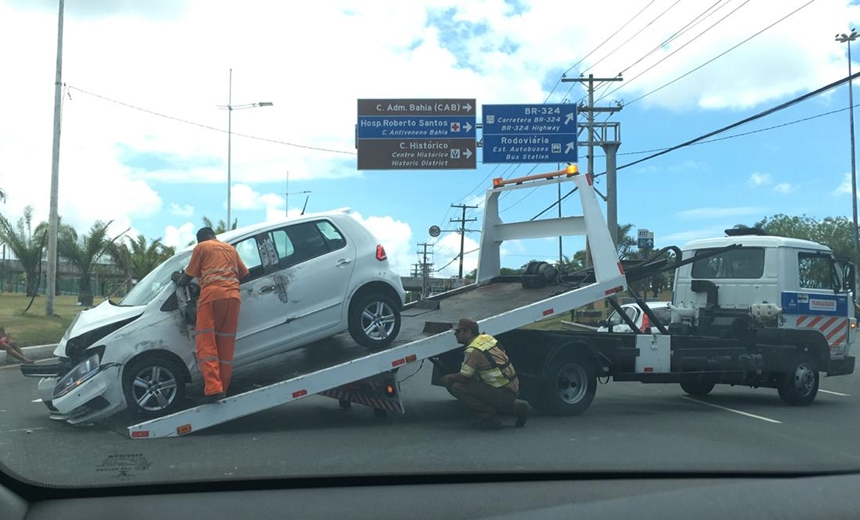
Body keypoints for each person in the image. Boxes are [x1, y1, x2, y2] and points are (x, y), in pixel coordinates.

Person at [172, 227, 249, 404]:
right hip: (233, 298)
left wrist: (177, 277)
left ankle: (214, 389)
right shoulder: (230, 249)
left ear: (200, 239)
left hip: (211, 297)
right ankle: (223, 388)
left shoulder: (202, 247)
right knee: (225, 346)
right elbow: (244, 274)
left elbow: (186, 279)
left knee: (206, 344)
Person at [441, 318, 528, 429]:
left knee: (458, 387)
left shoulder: (473, 350)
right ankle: (508, 405)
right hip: (511, 386)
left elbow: (464, 378)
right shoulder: (486, 338)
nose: (455, 335)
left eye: (458, 332)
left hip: (503, 391)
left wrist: (448, 377)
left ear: (467, 332)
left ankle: (489, 416)